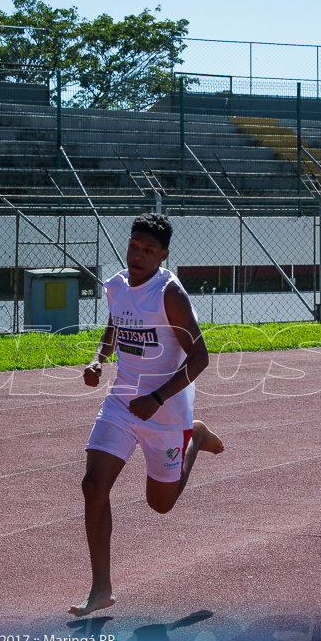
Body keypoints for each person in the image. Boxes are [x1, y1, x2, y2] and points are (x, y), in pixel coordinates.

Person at [69, 212, 225, 618]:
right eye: (134, 246)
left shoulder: (169, 293)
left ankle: (196, 439)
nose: (138, 255)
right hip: (121, 401)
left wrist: (156, 398)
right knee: (93, 486)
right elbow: (115, 325)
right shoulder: (117, 285)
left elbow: (200, 356)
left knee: (161, 505)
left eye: (148, 250)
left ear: (163, 255)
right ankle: (100, 589)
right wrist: (98, 359)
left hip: (165, 409)